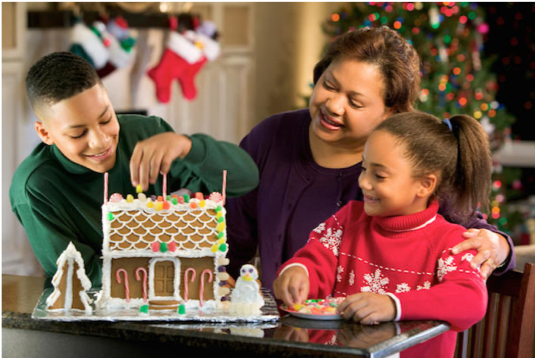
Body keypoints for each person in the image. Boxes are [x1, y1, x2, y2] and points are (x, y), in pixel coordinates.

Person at [225, 26, 514, 292]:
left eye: (355, 102)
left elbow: (477, 233)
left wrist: (499, 247)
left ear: (392, 112)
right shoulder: (272, 136)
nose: (333, 105)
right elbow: (232, 242)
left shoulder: (412, 159)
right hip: (283, 333)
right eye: (329, 85)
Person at [10, 52, 259, 287]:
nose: (101, 141)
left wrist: (187, 146)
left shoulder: (146, 134)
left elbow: (244, 179)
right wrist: (183, 274)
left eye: (106, 119)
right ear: (45, 133)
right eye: (78, 133)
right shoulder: (34, 187)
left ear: (107, 99)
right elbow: (79, 274)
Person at [274, 111, 490, 357]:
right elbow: (316, 260)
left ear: (425, 185)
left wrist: (393, 305)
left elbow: (470, 299)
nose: (364, 182)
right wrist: (298, 272)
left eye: (379, 175)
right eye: (364, 168)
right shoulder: (348, 220)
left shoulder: (451, 242)